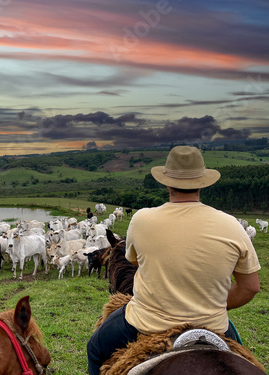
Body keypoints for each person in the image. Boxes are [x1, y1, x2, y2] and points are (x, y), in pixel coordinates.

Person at [87, 146, 261, 375]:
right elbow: (251, 286)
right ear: (202, 182)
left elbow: (134, 263)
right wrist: (212, 305)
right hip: (213, 324)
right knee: (245, 360)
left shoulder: (142, 220)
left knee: (96, 348)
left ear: (166, 182)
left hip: (147, 322)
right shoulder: (232, 225)